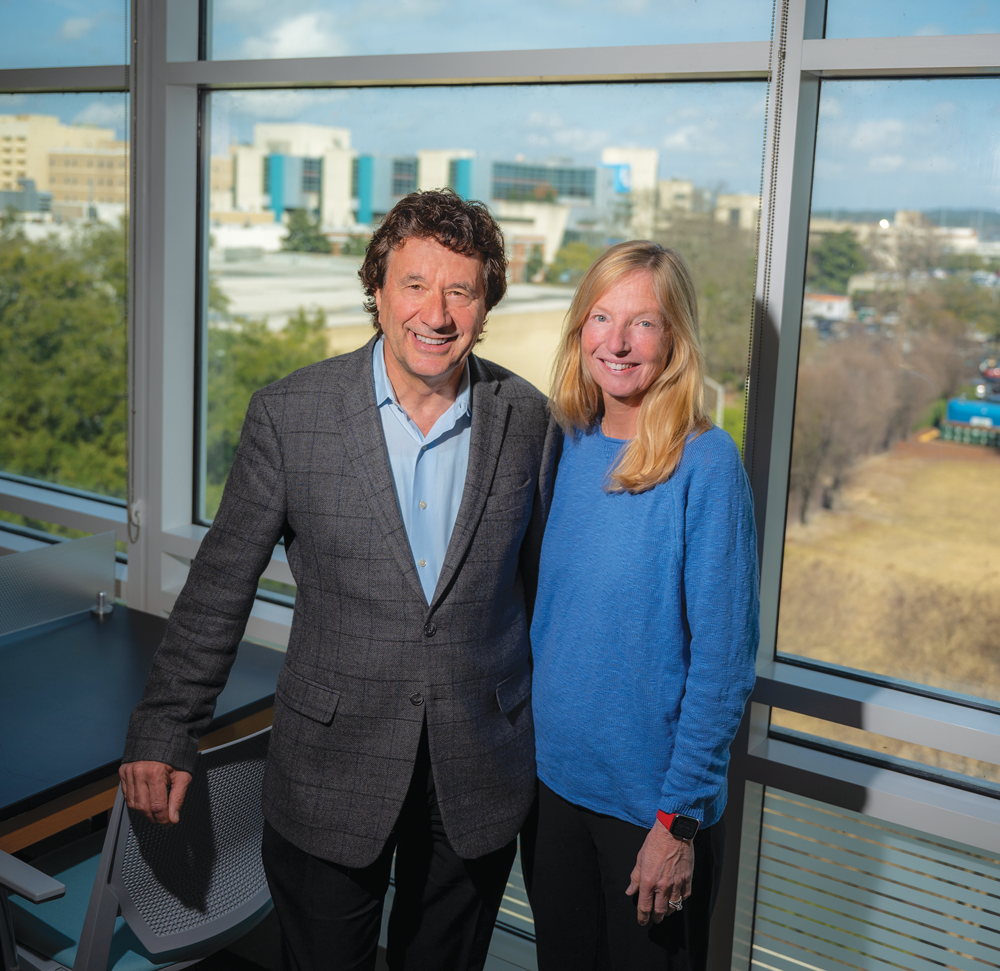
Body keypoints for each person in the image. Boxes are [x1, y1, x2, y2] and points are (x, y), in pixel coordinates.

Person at [119, 189, 558, 971]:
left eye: (462, 289)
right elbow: (223, 582)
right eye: (415, 284)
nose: (438, 311)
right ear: (378, 291)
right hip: (330, 767)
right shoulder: (292, 415)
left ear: (486, 303)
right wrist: (166, 723)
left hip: (477, 771)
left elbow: (545, 598)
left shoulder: (528, 420)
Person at [523, 240, 759, 971]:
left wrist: (677, 822)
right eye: (601, 317)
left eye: (644, 323)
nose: (617, 342)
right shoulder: (563, 442)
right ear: (579, 329)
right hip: (551, 792)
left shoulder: (707, 463)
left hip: (649, 814)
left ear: (676, 338)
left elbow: (723, 662)